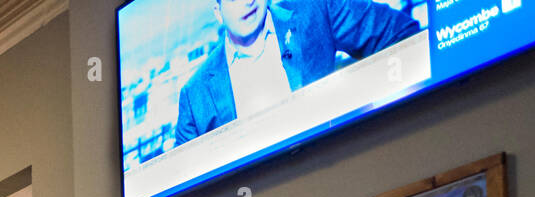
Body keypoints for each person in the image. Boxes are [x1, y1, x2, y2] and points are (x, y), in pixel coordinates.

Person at [174, 0, 420, 146]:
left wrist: (355, 108)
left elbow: (402, 34)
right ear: (217, 12)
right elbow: (183, 190)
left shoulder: (315, 10)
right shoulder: (194, 94)